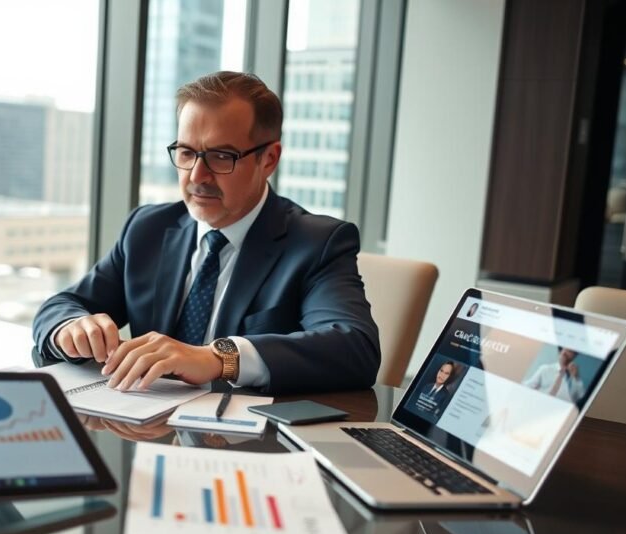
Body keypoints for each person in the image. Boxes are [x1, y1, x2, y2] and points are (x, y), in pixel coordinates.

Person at [32, 71, 380, 394]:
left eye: (221, 156)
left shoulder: (317, 243)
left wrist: (219, 357)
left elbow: (354, 347)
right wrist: (72, 327)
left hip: (248, 447)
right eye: (186, 152)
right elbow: (63, 305)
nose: (197, 176)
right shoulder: (147, 228)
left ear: (269, 159)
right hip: (146, 425)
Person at [522, 347, 586, 404]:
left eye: (571, 351)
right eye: (564, 349)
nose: (565, 353)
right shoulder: (545, 369)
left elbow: (581, 398)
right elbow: (526, 386)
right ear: (561, 351)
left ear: (574, 356)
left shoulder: (575, 378)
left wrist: (576, 378)